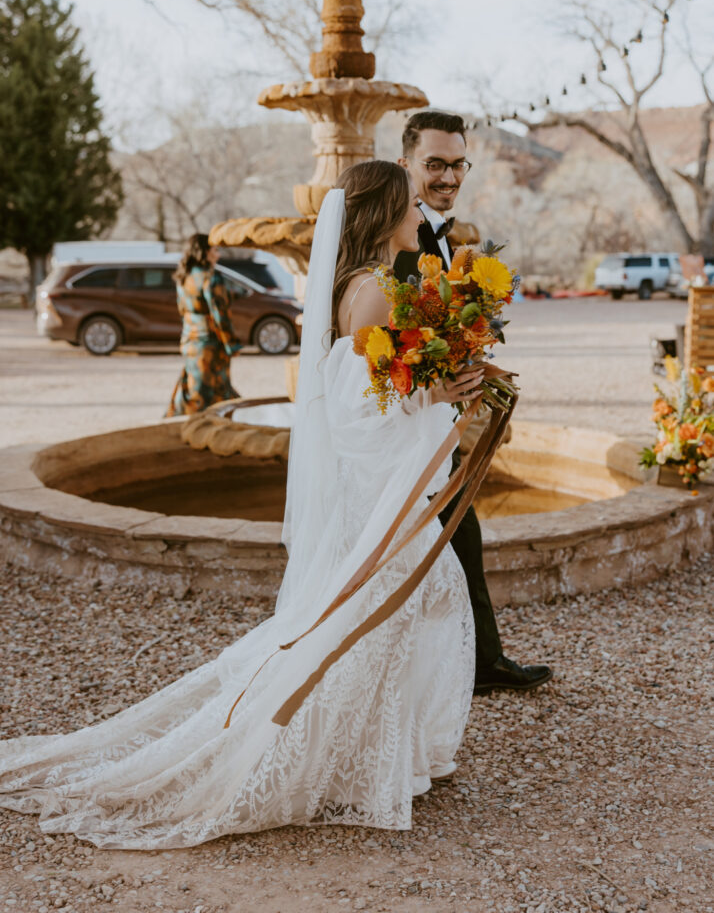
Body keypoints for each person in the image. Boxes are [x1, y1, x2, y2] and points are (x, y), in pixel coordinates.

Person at [0, 161, 486, 849]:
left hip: (375, 493)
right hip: (377, 495)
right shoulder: (374, 292)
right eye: (411, 205)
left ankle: (376, 755)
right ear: (382, 216)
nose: (421, 217)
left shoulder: (363, 287)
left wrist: (437, 384)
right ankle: (343, 762)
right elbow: (363, 417)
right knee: (385, 616)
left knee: (397, 611)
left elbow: (370, 397)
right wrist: (439, 394)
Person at [395, 110, 552, 693]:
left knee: (462, 536)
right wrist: (431, 384)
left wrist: (474, 361)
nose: (448, 176)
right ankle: (439, 671)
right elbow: (370, 343)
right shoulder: (393, 237)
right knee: (428, 545)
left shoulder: (439, 234)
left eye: (457, 164)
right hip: (405, 428)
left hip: (435, 423)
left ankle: (478, 662)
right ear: (406, 163)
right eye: (434, 164)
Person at [165, 233, 240, 417]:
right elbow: (220, 315)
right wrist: (231, 344)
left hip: (189, 340)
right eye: (215, 250)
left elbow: (183, 310)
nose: (218, 255)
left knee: (193, 389)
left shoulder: (184, 278)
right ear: (205, 252)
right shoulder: (211, 278)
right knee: (214, 392)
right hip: (209, 344)